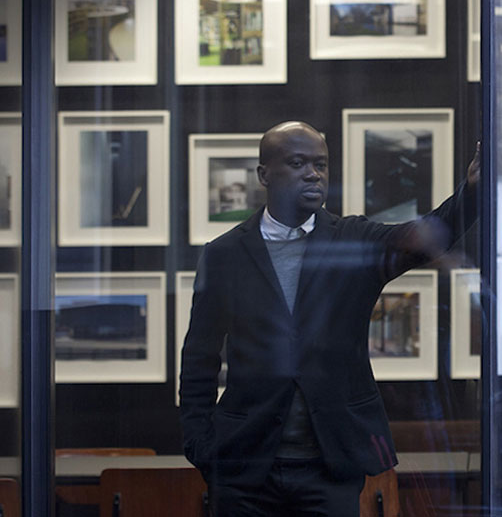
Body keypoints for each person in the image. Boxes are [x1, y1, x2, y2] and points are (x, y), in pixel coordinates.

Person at [179, 120, 478, 516]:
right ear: (264, 175)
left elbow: (423, 237)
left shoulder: (352, 240)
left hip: (329, 467)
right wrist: (200, 446)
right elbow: (199, 357)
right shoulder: (224, 254)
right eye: (298, 162)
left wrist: (473, 192)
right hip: (243, 468)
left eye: (321, 164)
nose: (313, 173)